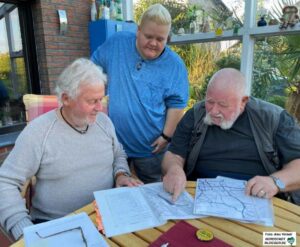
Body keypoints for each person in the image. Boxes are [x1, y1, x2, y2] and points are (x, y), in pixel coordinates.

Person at [0, 58, 142, 241]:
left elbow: (118, 153)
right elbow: (5, 182)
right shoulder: (38, 132)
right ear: (66, 98)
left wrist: (121, 174)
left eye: (101, 100)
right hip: (56, 225)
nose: (100, 108)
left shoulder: (104, 123)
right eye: (92, 101)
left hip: (106, 216)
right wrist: (23, 229)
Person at [162, 68, 300, 205]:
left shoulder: (274, 118)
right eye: (210, 102)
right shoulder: (195, 115)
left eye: (223, 105)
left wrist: (274, 181)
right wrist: (174, 169)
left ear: (243, 101)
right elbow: (174, 154)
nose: (214, 111)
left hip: (259, 200)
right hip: (200, 198)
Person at [91, 4, 189, 183]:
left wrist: (166, 136)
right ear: (138, 30)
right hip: (115, 145)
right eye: (148, 36)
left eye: (161, 39)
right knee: (113, 191)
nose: (153, 43)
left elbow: (177, 104)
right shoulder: (117, 43)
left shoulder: (175, 65)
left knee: (155, 193)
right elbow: (94, 67)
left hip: (151, 149)